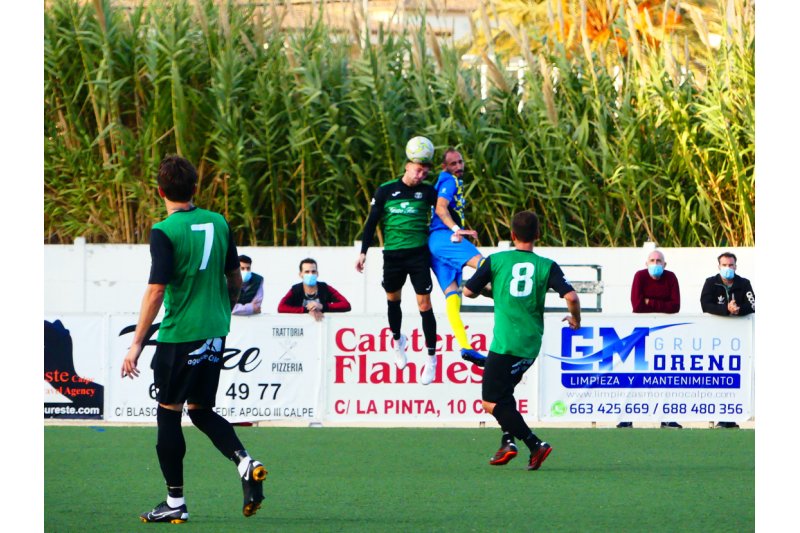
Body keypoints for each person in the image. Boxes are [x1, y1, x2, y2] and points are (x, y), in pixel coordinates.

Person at [120, 155, 267, 523]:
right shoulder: (219, 222)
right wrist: (225, 309)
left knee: (168, 414)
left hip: (180, 335)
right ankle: (245, 463)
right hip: (215, 333)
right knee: (200, 410)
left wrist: (136, 343)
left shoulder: (165, 231)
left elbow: (156, 290)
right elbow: (235, 278)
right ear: (195, 187)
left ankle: (175, 503)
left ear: (160, 191)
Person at [464, 210, 581, 470]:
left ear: (512, 235)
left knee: (490, 402)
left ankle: (534, 443)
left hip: (506, 343)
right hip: (530, 343)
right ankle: (508, 441)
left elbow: (469, 291)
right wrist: (576, 320)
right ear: (537, 235)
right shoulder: (546, 265)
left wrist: (491, 292)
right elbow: (571, 297)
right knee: (505, 395)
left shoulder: (495, 260)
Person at [355, 145, 439, 385]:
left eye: (424, 173)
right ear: (407, 166)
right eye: (417, 170)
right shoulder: (386, 190)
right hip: (393, 255)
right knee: (393, 300)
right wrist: (363, 252)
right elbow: (372, 222)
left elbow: (445, 213)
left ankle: (431, 358)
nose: (420, 176)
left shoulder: (427, 192)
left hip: (418, 255)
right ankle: (397, 341)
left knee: (424, 304)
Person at [427, 148, 487, 368]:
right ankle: (506, 297)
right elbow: (441, 208)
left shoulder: (445, 181)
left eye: (461, 162)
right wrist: (456, 228)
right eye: (453, 163)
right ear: (444, 167)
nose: (459, 167)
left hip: (434, 246)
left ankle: (465, 346)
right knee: (485, 264)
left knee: (453, 299)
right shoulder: (449, 181)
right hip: (444, 237)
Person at [622, 249, 682, 428]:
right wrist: (658, 305)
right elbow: (637, 305)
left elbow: (675, 306)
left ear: (665, 264)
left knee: (664, 376)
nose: (655, 264)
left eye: (659, 261)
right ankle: (626, 417)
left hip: (665, 334)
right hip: (640, 333)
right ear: (646, 263)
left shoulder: (671, 278)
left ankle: (666, 417)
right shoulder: (640, 276)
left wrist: (651, 302)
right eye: (652, 260)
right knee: (635, 374)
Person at [700, 251, 755, 429]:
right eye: (725, 265)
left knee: (737, 376)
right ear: (719, 266)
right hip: (716, 337)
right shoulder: (711, 282)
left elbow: (753, 304)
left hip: (739, 339)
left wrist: (738, 310)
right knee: (718, 375)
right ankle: (720, 416)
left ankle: (732, 416)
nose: (728, 268)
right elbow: (705, 304)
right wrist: (726, 309)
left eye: (731, 265)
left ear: (735, 266)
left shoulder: (744, 283)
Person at [278, 257, 351, 321]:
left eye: (313, 271)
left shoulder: (325, 288)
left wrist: (322, 306)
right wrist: (306, 310)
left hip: (323, 327)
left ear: (317, 273)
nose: (311, 274)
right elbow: (281, 307)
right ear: (301, 274)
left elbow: (346, 305)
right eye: (307, 272)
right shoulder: (296, 290)